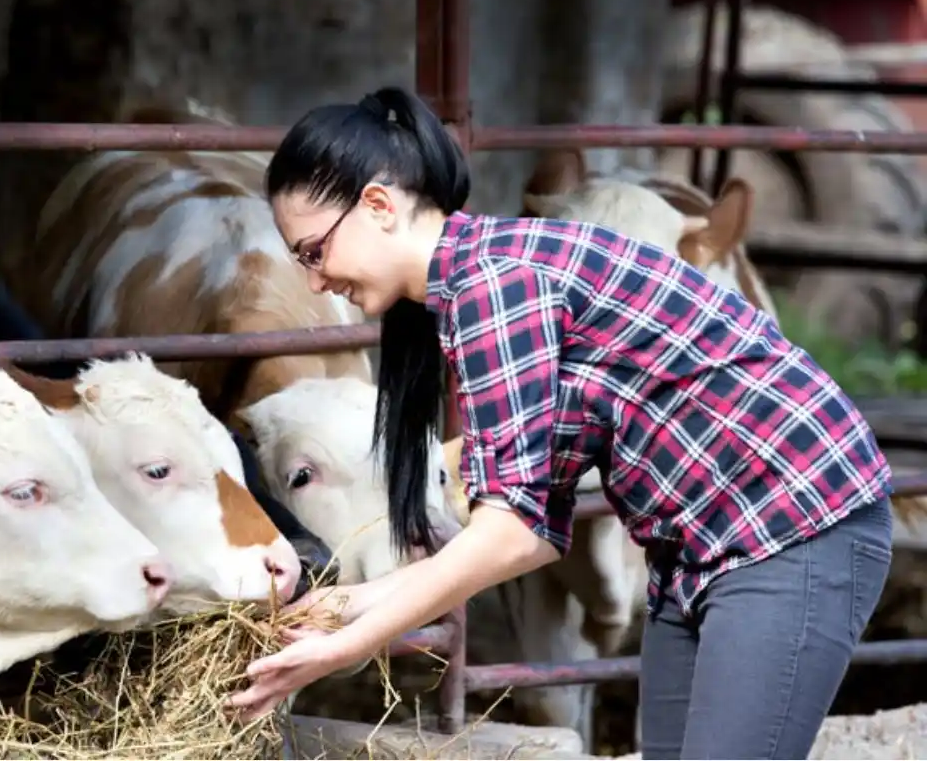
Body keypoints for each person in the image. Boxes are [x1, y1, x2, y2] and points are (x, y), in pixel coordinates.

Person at [223, 85, 894, 760]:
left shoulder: (497, 287)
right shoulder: (475, 284)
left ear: (377, 206)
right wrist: (353, 604)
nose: (313, 282)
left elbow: (512, 533)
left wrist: (353, 641)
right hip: (696, 548)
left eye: (313, 252)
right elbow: (536, 526)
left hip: (795, 523)